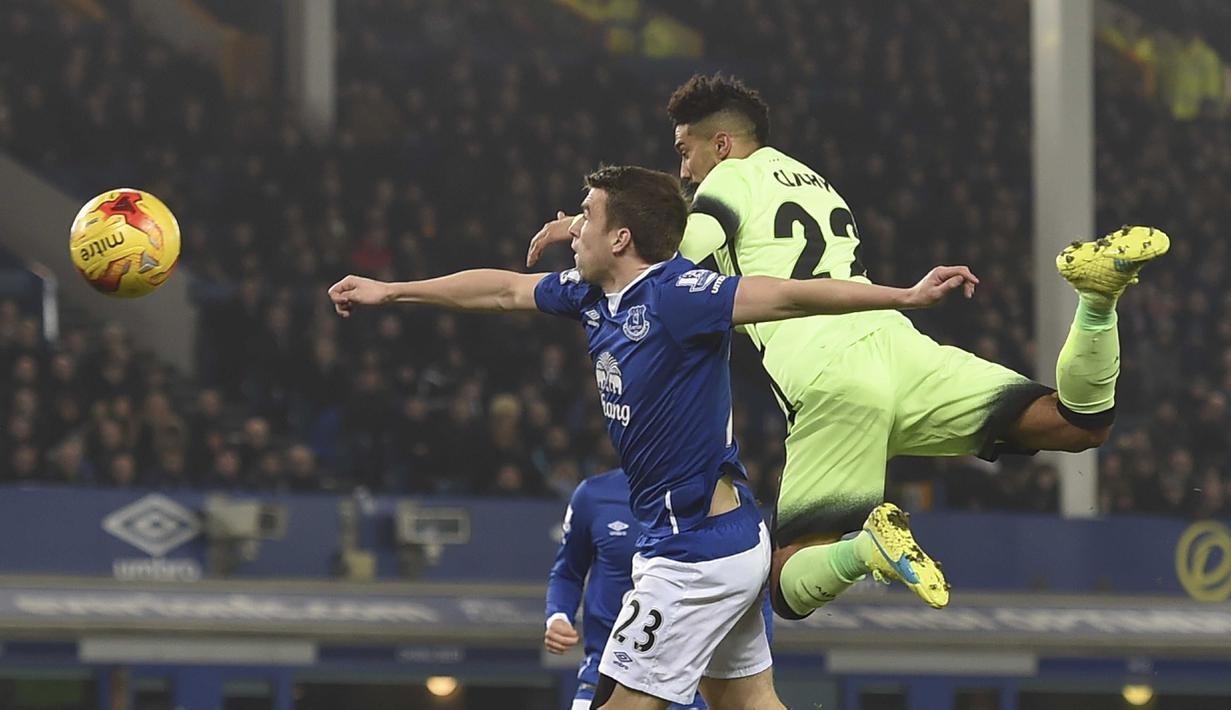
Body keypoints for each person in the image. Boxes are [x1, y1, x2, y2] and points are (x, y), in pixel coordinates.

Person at [525, 74, 1169, 622]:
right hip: (900, 349)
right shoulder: (815, 181)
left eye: (685, 150)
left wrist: (589, 231)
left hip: (831, 376)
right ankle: (1097, 300)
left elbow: (663, 268)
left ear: (721, 143)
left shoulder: (725, 185)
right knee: (1077, 423)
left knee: (783, 585)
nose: (683, 169)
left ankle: (869, 551)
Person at [331, 165, 974, 709]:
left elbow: (784, 295)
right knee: (747, 703)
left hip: (695, 553)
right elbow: (503, 289)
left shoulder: (677, 296)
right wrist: (393, 291)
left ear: (622, 237)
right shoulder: (591, 293)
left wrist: (906, 297)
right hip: (721, 537)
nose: (571, 227)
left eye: (585, 216)